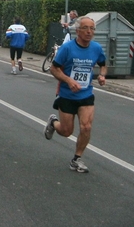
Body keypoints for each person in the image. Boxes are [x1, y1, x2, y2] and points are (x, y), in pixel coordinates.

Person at [44, 16, 107, 173]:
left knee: (86, 127)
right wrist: (69, 81)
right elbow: (53, 68)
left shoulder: (96, 48)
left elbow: (103, 64)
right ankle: (53, 123)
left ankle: (76, 159)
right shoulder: (67, 48)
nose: (89, 31)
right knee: (66, 132)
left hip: (86, 94)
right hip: (67, 95)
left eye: (92, 28)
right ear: (77, 30)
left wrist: (102, 75)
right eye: (85, 28)